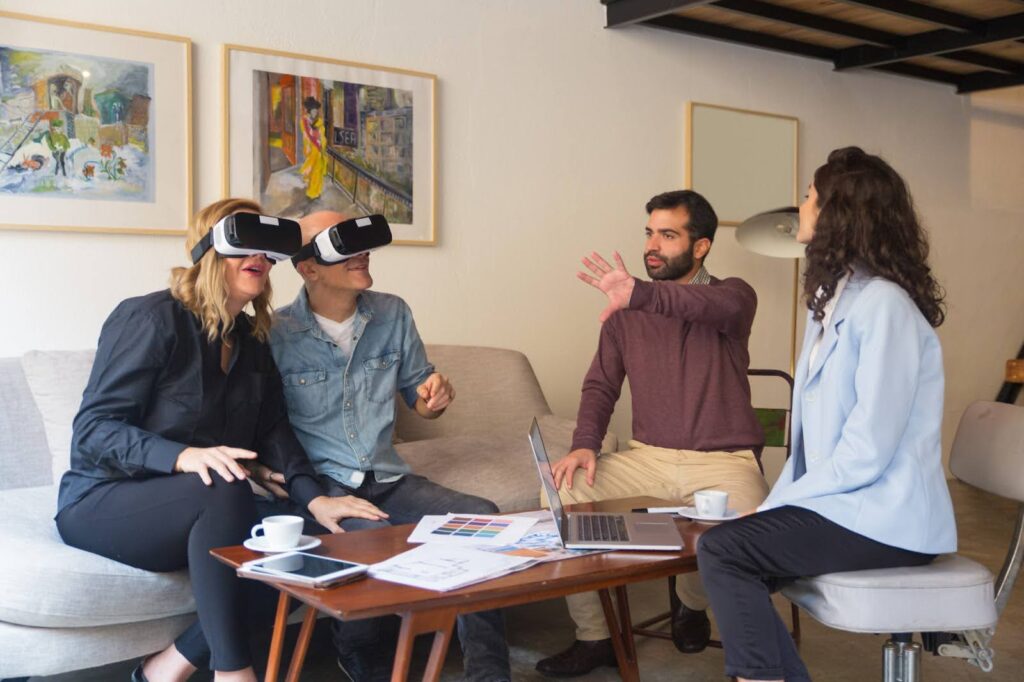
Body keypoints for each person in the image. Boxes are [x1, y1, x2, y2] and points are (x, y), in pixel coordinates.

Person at [55, 199, 366, 682]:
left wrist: (317, 498)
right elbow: (94, 431)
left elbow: (273, 431)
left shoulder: (252, 339)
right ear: (208, 250)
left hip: (200, 506)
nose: (259, 257)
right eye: (244, 242)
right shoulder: (151, 318)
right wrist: (182, 456)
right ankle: (233, 673)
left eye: (267, 249)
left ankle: (168, 667)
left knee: (310, 539)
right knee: (224, 484)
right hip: (105, 500)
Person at [696, 147, 957, 682]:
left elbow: (866, 452)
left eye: (810, 195)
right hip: (850, 505)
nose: (801, 205)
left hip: (888, 518)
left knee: (724, 552)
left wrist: (781, 505)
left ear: (840, 213)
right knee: (727, 547)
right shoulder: (835, 300)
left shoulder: (884, 306)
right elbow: (811, 449)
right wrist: (772, 506)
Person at [264, 210, 512, 682]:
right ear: (308, 268)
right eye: (341, 245)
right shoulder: (275, 333)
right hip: (324, 485)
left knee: (484, 517)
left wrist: (434, 396)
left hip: (389, 477)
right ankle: (360, 657)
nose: (361, 252)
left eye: (361, 242)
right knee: (364, 536)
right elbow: (265, 426)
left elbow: (421, 399)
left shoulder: (392, 312)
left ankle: (489, 673)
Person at [535, 190, 770, 678]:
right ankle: (596, 636)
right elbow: (601, 384)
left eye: (668, 234)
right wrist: (584, 444)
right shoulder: (627, 313)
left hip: (725, 461)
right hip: (649, 458)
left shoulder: (734, 296)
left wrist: (639, 293)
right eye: (649, 233)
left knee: (747, 528)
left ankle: (690, 603)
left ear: (701, 246)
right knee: (560, 489)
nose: (653, 245)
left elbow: (706, 307)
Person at [300, 96, 327, 201]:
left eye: (316, 111)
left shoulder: (319, 121)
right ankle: (312, 191)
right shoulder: (304, 120)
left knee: (318, 170)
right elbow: (306, 134)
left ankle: (316, 191)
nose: (315, 113)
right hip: (311, 149)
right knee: (312, 171)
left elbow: (321, 134)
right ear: (309, 111)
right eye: (313, 111)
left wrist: (320, 141)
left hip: (318, 148)